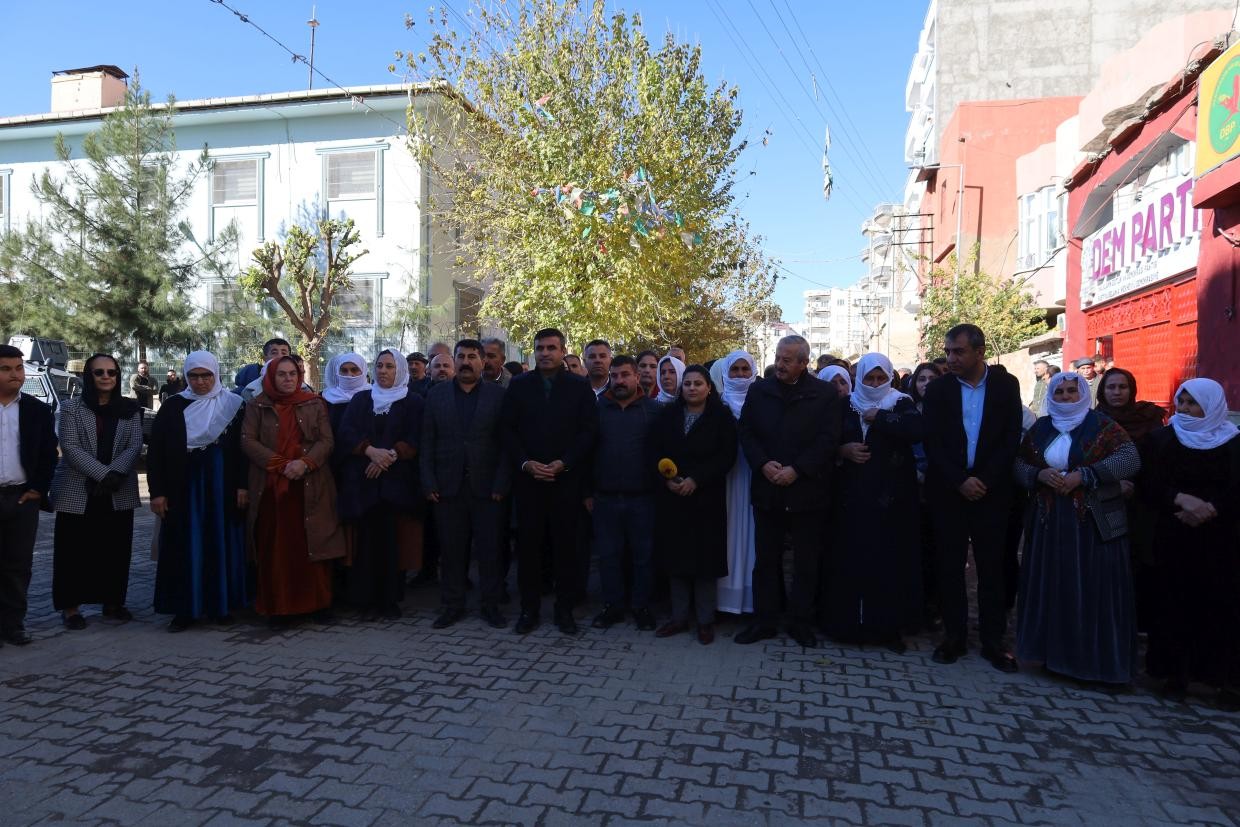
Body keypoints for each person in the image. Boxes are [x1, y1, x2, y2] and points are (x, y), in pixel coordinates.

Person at [1014, 372, 1141, 684]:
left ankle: (1091, 664)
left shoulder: (1103, 426)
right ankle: (1052, 658)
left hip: (1092, 525)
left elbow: (1131, 460)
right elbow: (1018, 464)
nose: (1067, 397)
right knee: (1054, 587)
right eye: (1059, 392)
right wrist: (1039, 476)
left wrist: (1085, 475)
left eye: (1073, 391)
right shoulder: (1041, 428)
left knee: (1091, 589)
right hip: (1050, 522)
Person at [922, 324, 1023, 672]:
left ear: (979, 353)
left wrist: (984, 479)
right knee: (949, 566)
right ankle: (954, 638)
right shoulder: (938, 390)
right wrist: (960, 480)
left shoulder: (1005, 386)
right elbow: (932, 441)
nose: (951, 358)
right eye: (948, 351)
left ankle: (994, 642)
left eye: (959, 352)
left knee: (992, 567)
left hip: (991, 492)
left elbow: (1011, 438)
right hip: (949, 490)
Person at [737, 335, 841, 647]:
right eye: (778, 357)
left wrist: (797, 469)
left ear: (803, 363)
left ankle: (800, 622)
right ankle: (764, 621)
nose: (779, 364)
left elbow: (828, 438)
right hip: (768, 488)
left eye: (787, 360)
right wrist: (763, 463)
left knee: (806, 562)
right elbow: (747, 431)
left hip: (806, 490)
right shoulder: (760, 389)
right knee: (765, 560)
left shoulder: (823, 394)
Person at [1144, 378, 1240, 703]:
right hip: (1174, 534)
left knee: (1221, 607)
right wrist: (1180, 500)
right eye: (1181, 403)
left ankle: (1220, 679)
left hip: (1222, 540)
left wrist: (1211, 508)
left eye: (1192, 404)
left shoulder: (1233, 443)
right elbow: (1149, 484)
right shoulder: (1161, 440)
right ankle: (1175, 675)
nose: (1184, 410)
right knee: (1174, 604)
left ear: (1211, 406)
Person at [500, 328, 598, 635]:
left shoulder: (579, 387)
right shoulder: (518, 385)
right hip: (529, 482)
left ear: (562, 350)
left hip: (565, 481)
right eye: (540, 348)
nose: (545, 353)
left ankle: (564, 610)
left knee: (566, 550)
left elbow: (589, 432)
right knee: (528, 550)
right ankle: (529, 610)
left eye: (551, 348)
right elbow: (507, 430)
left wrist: (564, 462)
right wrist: (526, 463)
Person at [825, 353, 923, 652]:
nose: (876, 384)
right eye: (870, 378)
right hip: (851, 496)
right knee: (850, 559)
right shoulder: (845, 404)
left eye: (882, 378)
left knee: (888, 562)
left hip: (891, 497)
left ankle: (887, 628)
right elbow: (824, 440)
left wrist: (879, 417)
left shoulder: (901, 402)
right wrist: (843, 451)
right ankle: (848, 626)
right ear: (860, 378)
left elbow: (916, 430)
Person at [149, 351, 250, 632]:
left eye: (206, 375)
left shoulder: (233, 404)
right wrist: (157, 492)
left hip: (222, 486)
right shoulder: (173, 407)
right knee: (185, 544)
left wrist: (242, 485)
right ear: (186, 376)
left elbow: (242, 451)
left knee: (220, 542)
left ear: (216, 374)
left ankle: (221, 606)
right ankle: (185, 609)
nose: (201, 381)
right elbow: (157, 452)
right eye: (194, 376)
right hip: (183, 487)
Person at [242, 356, 344, 627]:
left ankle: (318, 605)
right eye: (282, 374)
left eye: (293, 374)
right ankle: (280, 608)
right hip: (272, 488)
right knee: (276, 549)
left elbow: (327, 440)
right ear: (271, 377)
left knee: (315, 545)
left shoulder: (314, 403)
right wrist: (281, 465)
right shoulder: (257, 406)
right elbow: (247, 440)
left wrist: (305, 463)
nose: (288, 379)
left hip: (311, 486)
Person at [421, 339, 512, 630]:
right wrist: (428, 481)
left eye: (472, 356)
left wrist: (502, 482)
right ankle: (452, 605)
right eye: (460, 356)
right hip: (447, 488)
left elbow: (506, 445)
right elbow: (427, 443)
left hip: (488, 488)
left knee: (490, 551)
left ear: (483, 361)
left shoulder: (498, 397)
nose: (466, 362)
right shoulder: (436, 396)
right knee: (451, 552)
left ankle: (491, 605)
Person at [50, 354, 143, 629]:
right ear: (88, 376)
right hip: (78, 489)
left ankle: (113, 602)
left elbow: (134, 445)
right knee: (72, 551)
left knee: (115, 548)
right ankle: (71, 609)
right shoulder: (70, 408)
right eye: (99, 372)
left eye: (111, 372)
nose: (106, 377)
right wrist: (105, 475)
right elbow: (71, 447)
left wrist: (116, 474)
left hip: (118, 491)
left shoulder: (129, 408)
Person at [650, 365, 737, 645]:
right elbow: (654, 451)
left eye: (698, 383)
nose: (692, 388)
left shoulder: (722, 417)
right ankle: (678, 618)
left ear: (709, 387)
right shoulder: (667, 416)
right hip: (673, 498)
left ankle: (704, 621)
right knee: (676, 561)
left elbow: (727, 456)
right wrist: (668, 481)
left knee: (704, 563)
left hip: (706, 499)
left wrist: (697, 480)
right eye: (687, 384)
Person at [337, 349, 423, 620]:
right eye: (379, 366)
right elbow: (347, 432)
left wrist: (390, 455)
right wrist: (369, 451)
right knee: (366, 545)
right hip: (364, 484)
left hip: (396, 486)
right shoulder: (362, 399)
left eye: (389, 366)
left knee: (392, 544)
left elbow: (417, 435)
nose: (383, 371)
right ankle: (365, 601)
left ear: (400, 371)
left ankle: (389, 600)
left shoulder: (413, 401)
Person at [588, 355, 661, 632]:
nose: (619, 381)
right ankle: (613, 606)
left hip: (643, 498)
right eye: (615, 376)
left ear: (636, 377)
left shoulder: (654, 411)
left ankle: (641, 606)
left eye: (625, 375)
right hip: (605, 497)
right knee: (608, 556)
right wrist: (587, 491)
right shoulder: (596, 410)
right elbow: (587, 453)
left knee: (643, 556)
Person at [1094, 366, 1166, 632]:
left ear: (1131, 389)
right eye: (1111, 387)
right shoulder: (1093, 421)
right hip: (1104, 499)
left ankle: (1138, 620)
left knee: (1139, 558)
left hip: (1141, 500)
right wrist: (1113, 483)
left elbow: (1158, 460)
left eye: (1122, 387)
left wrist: (1135, 485)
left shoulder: (1147, 418)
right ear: (1103, 390)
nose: (1117, 392)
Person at [0, 345, 57, 646]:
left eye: (18, 368)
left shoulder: (37, 410)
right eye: (6, 368)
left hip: (22, 500)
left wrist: (37, 488)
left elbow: (49, 454)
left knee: (17, 566)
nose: (15, 374)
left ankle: (13, 626)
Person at [716, 350, 757, 615]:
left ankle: (751, 602)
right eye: (735, 370)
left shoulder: (762, 403)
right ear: (725, 373)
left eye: (745, 369)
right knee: (726, 536)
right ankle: (722, 603)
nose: (740, 375)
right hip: (726, 481)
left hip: (756, 479)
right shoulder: (717, 405)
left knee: (752, 538)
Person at [907, 361, 943, 630]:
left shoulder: (947, 411)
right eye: (922, 379)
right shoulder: (906, 410)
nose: (926, 383)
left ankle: (933, 607)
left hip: (939, 487)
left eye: (932, 378)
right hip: (910, 490)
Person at [322, 353, 370, 437]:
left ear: (363, 371)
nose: (349, 375)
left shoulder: (373, 396)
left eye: (354, 370)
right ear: (337, 372)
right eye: (344, 370)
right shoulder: (327, 398)